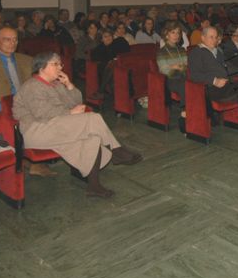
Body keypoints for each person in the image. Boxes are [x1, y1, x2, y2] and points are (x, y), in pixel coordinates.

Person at [13, 52, 142, 198]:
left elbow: (76, 102)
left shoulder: (56, 84)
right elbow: (42, 113)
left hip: (55, 127)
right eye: (55, 64)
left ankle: (94, 186)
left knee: (93, 139)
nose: (60, 67)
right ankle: (116, 151)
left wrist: (69, 85)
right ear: (41, 67)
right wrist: (69, 112)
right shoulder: (32, 86)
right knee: (93, 118)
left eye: (60, 64)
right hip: (36, 131)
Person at [0, 26, 56, 177]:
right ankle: (28, 160)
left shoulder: (27, 60)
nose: (12, 43)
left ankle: (37, 157)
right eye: (7, 39)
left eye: (15, 39)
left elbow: (38, 84)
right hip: (1, 108)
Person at [157, 21, 188, 108]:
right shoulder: (161, 52)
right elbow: (164, 70)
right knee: (184, 85)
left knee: (196, 82)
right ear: (166, 35)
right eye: (173, 32)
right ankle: (185, 109)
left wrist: (173, 66)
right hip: (170, 80)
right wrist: (177, 67)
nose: (176, 35)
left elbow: (186, 65)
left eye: (178, 33)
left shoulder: (181, 49)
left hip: (183, 76)